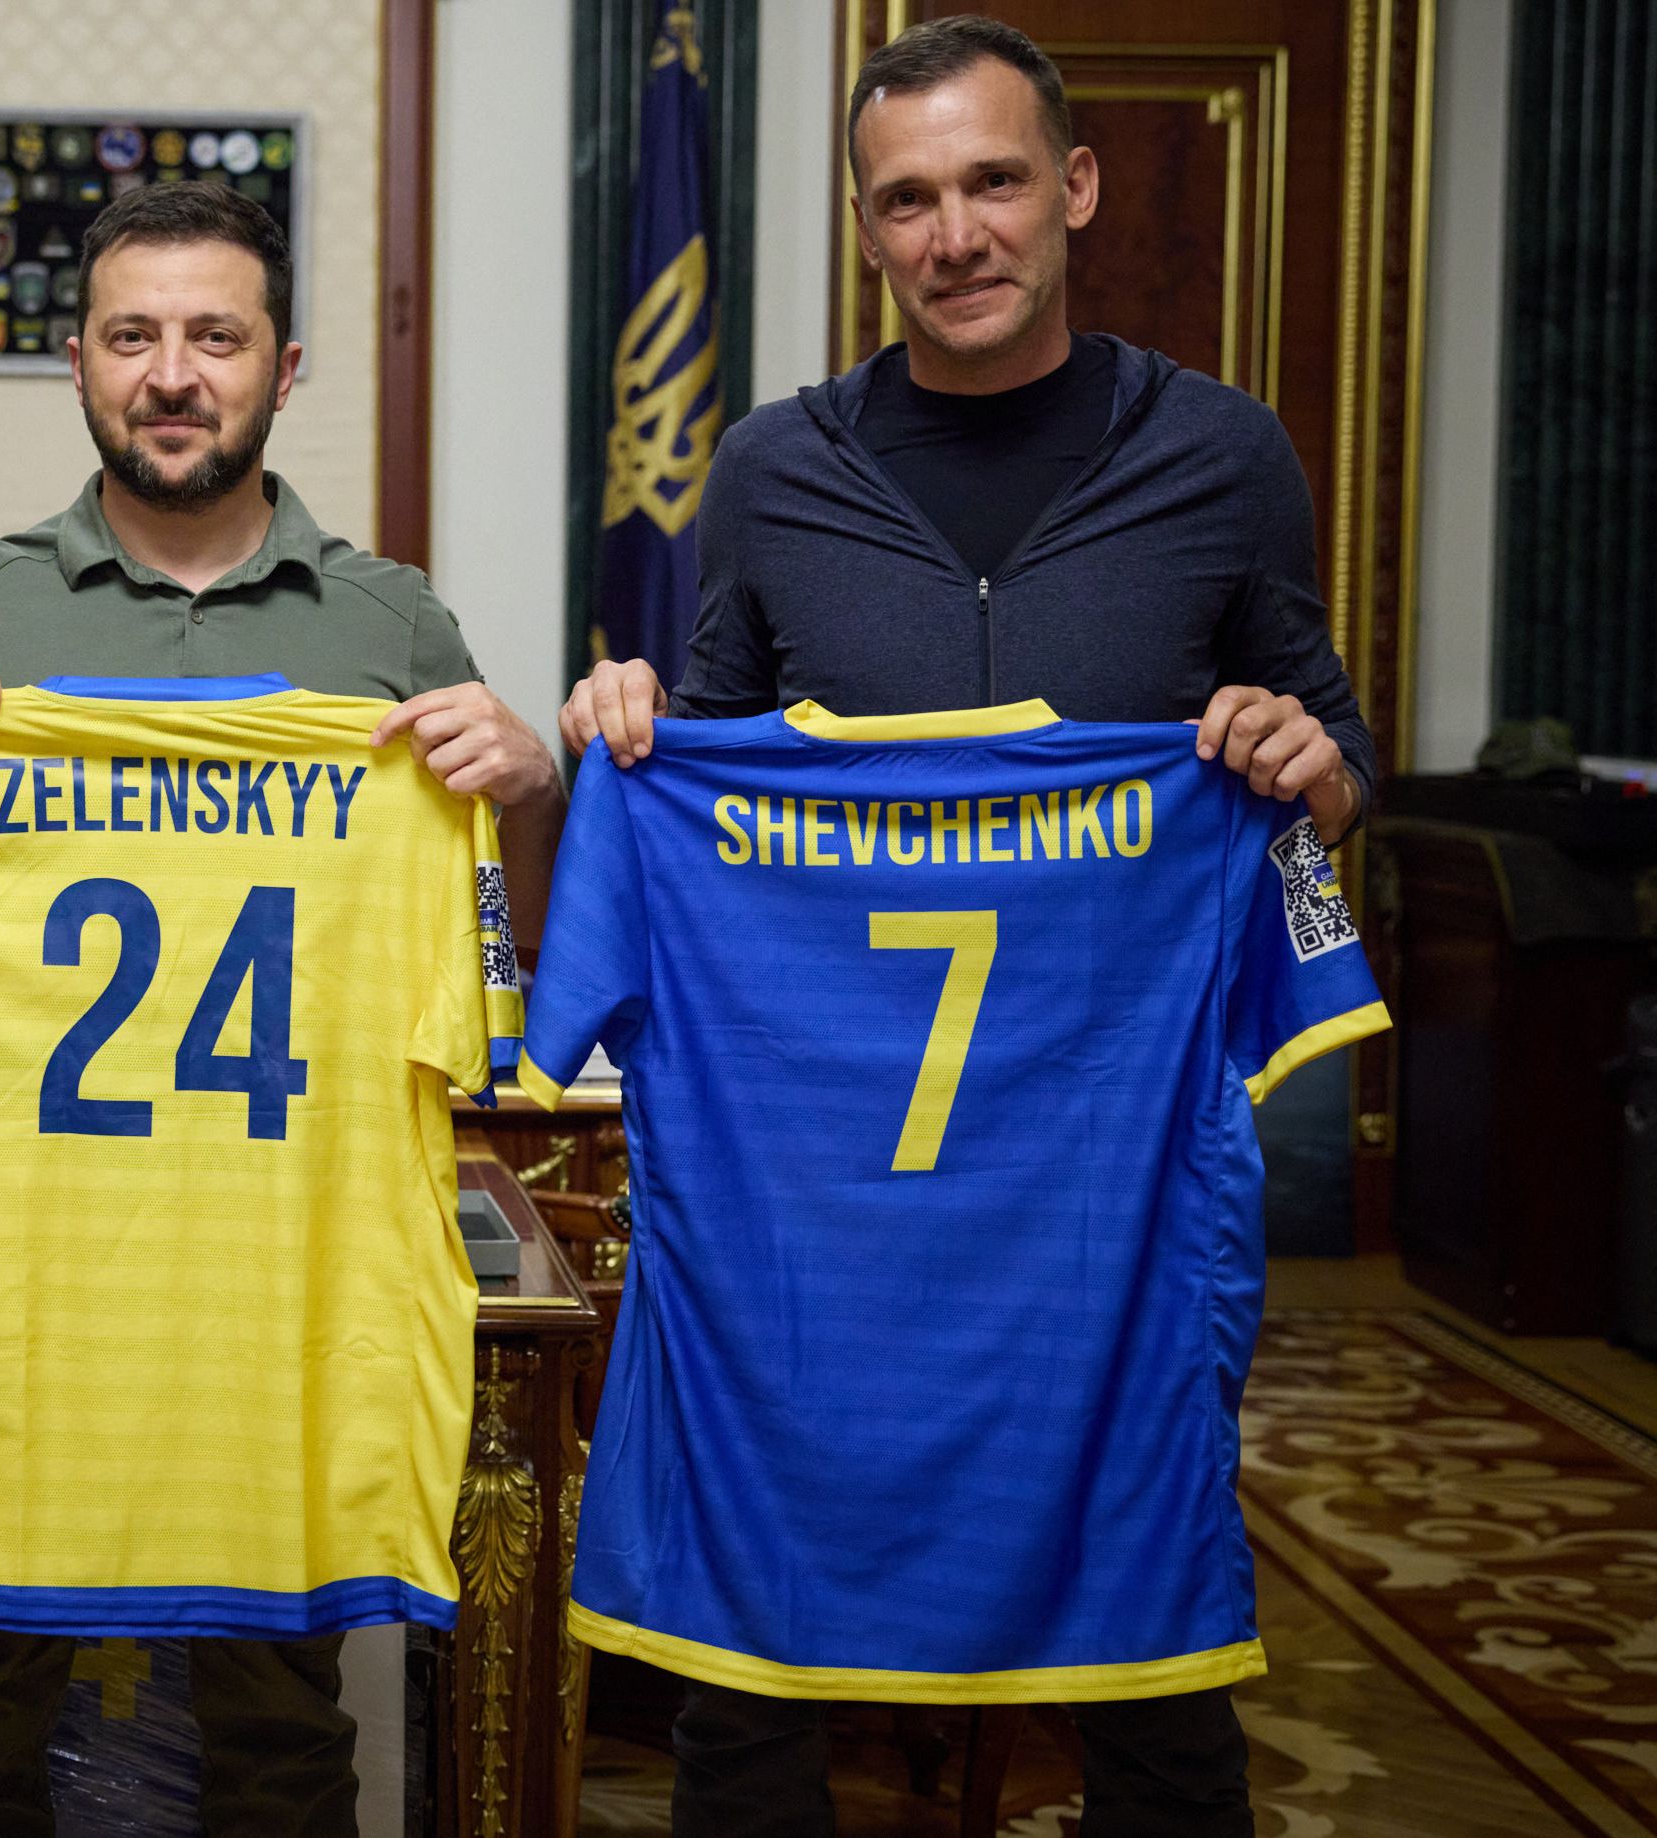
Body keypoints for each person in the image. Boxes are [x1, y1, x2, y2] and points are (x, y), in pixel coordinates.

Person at [559, 17, 1369, 1836]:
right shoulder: (772, 467)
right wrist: (633, 729)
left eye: (993, 181)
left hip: (1114, 1184)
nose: (957, 234)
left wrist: (1314, 770)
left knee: (1154, 1657)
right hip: (825, 1193)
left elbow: (1336, 772)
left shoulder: (1225, 454)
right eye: (909, 199)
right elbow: (711, 747)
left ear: (1074, 187)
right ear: (867, 229)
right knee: (751, 1664)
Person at [0, 180, 562, 1838]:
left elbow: (508, 943)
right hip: (13, 1280)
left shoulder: (391, 624)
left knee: (283, 1737)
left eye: (217, 336)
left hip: (278, 1282)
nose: (174, 373)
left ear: (286, 367)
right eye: (133, 336)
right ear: (77, 362)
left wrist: (534, 782)